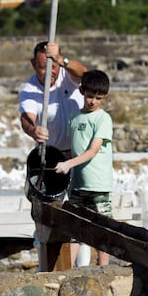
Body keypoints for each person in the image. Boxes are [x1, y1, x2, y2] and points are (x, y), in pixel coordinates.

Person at [19, 41, 90, 271]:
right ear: (33, 65)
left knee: (82, 212)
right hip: (51, 158)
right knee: (48, 215)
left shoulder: (67, 76)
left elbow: (85, 74)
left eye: (52, 66)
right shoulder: (29, 89)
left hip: (78, 155)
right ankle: (45, 267)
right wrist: (33, 129)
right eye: (42, 67)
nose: (49, 72)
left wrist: (62, 60)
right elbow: (26, 118)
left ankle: (83, 268)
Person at [55, 69, 113, 267]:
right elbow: (73, 150)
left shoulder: (103, 119)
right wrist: (61, 162)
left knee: (103, 227)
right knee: (75, 228)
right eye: (90, 96)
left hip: (98, 183)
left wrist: (68, 164)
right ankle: (68, 268)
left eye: (98, 98)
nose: (93, 101)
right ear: (81, 91)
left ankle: (103, 268)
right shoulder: (74, 118)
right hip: (78, 184)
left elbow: (93, 150)